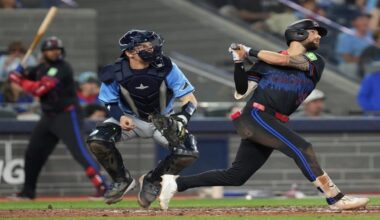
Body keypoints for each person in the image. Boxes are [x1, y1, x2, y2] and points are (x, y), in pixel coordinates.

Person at [158, 19, 369, 210]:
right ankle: (335, 198)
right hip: (256, 116)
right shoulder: (265, 62)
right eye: (314, 32)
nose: (318, 36)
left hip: (271, 120)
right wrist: (239, 62)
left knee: (237, 176)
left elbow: (287, 61)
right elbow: (242, 91)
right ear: (299, 34)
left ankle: (175, 182)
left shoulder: (315, 59)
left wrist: (249, 50)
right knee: (302, 148)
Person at [86, 30, 199, 207]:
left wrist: (182, 119)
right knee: (97, 140)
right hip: (129, 119)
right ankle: (122, 179)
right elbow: (109, 102)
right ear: (129, 52)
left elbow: (190, 99)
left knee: (188, 151)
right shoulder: (114, 72)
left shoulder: (167, 66)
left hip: (162, 120)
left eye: (150, 44)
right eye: (143, 46)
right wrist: (120, 116)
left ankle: (152, 180)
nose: (150, 48)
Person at [7, 36, 107, 200]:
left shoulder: (63, 68)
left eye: (57, 50)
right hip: (48, 117)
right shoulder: (40, 68)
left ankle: (103, 188)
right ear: (44, 52)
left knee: (79, 152)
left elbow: (40, 89)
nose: (54, 52)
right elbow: (24, 75)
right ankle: (27, 191)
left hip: (67, 115)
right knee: (33, 153)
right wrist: (17, 72)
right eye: (50, 50)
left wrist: (20, 80)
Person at [335, 12, 373, 79]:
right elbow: (347, 59)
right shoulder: (346, 36)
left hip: (368, 66)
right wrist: (362, 59)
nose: (365, 22)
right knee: (353, 67)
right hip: (348, 66)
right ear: (354, 22)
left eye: (367, 19)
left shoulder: (372, 36)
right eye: (362, 19)